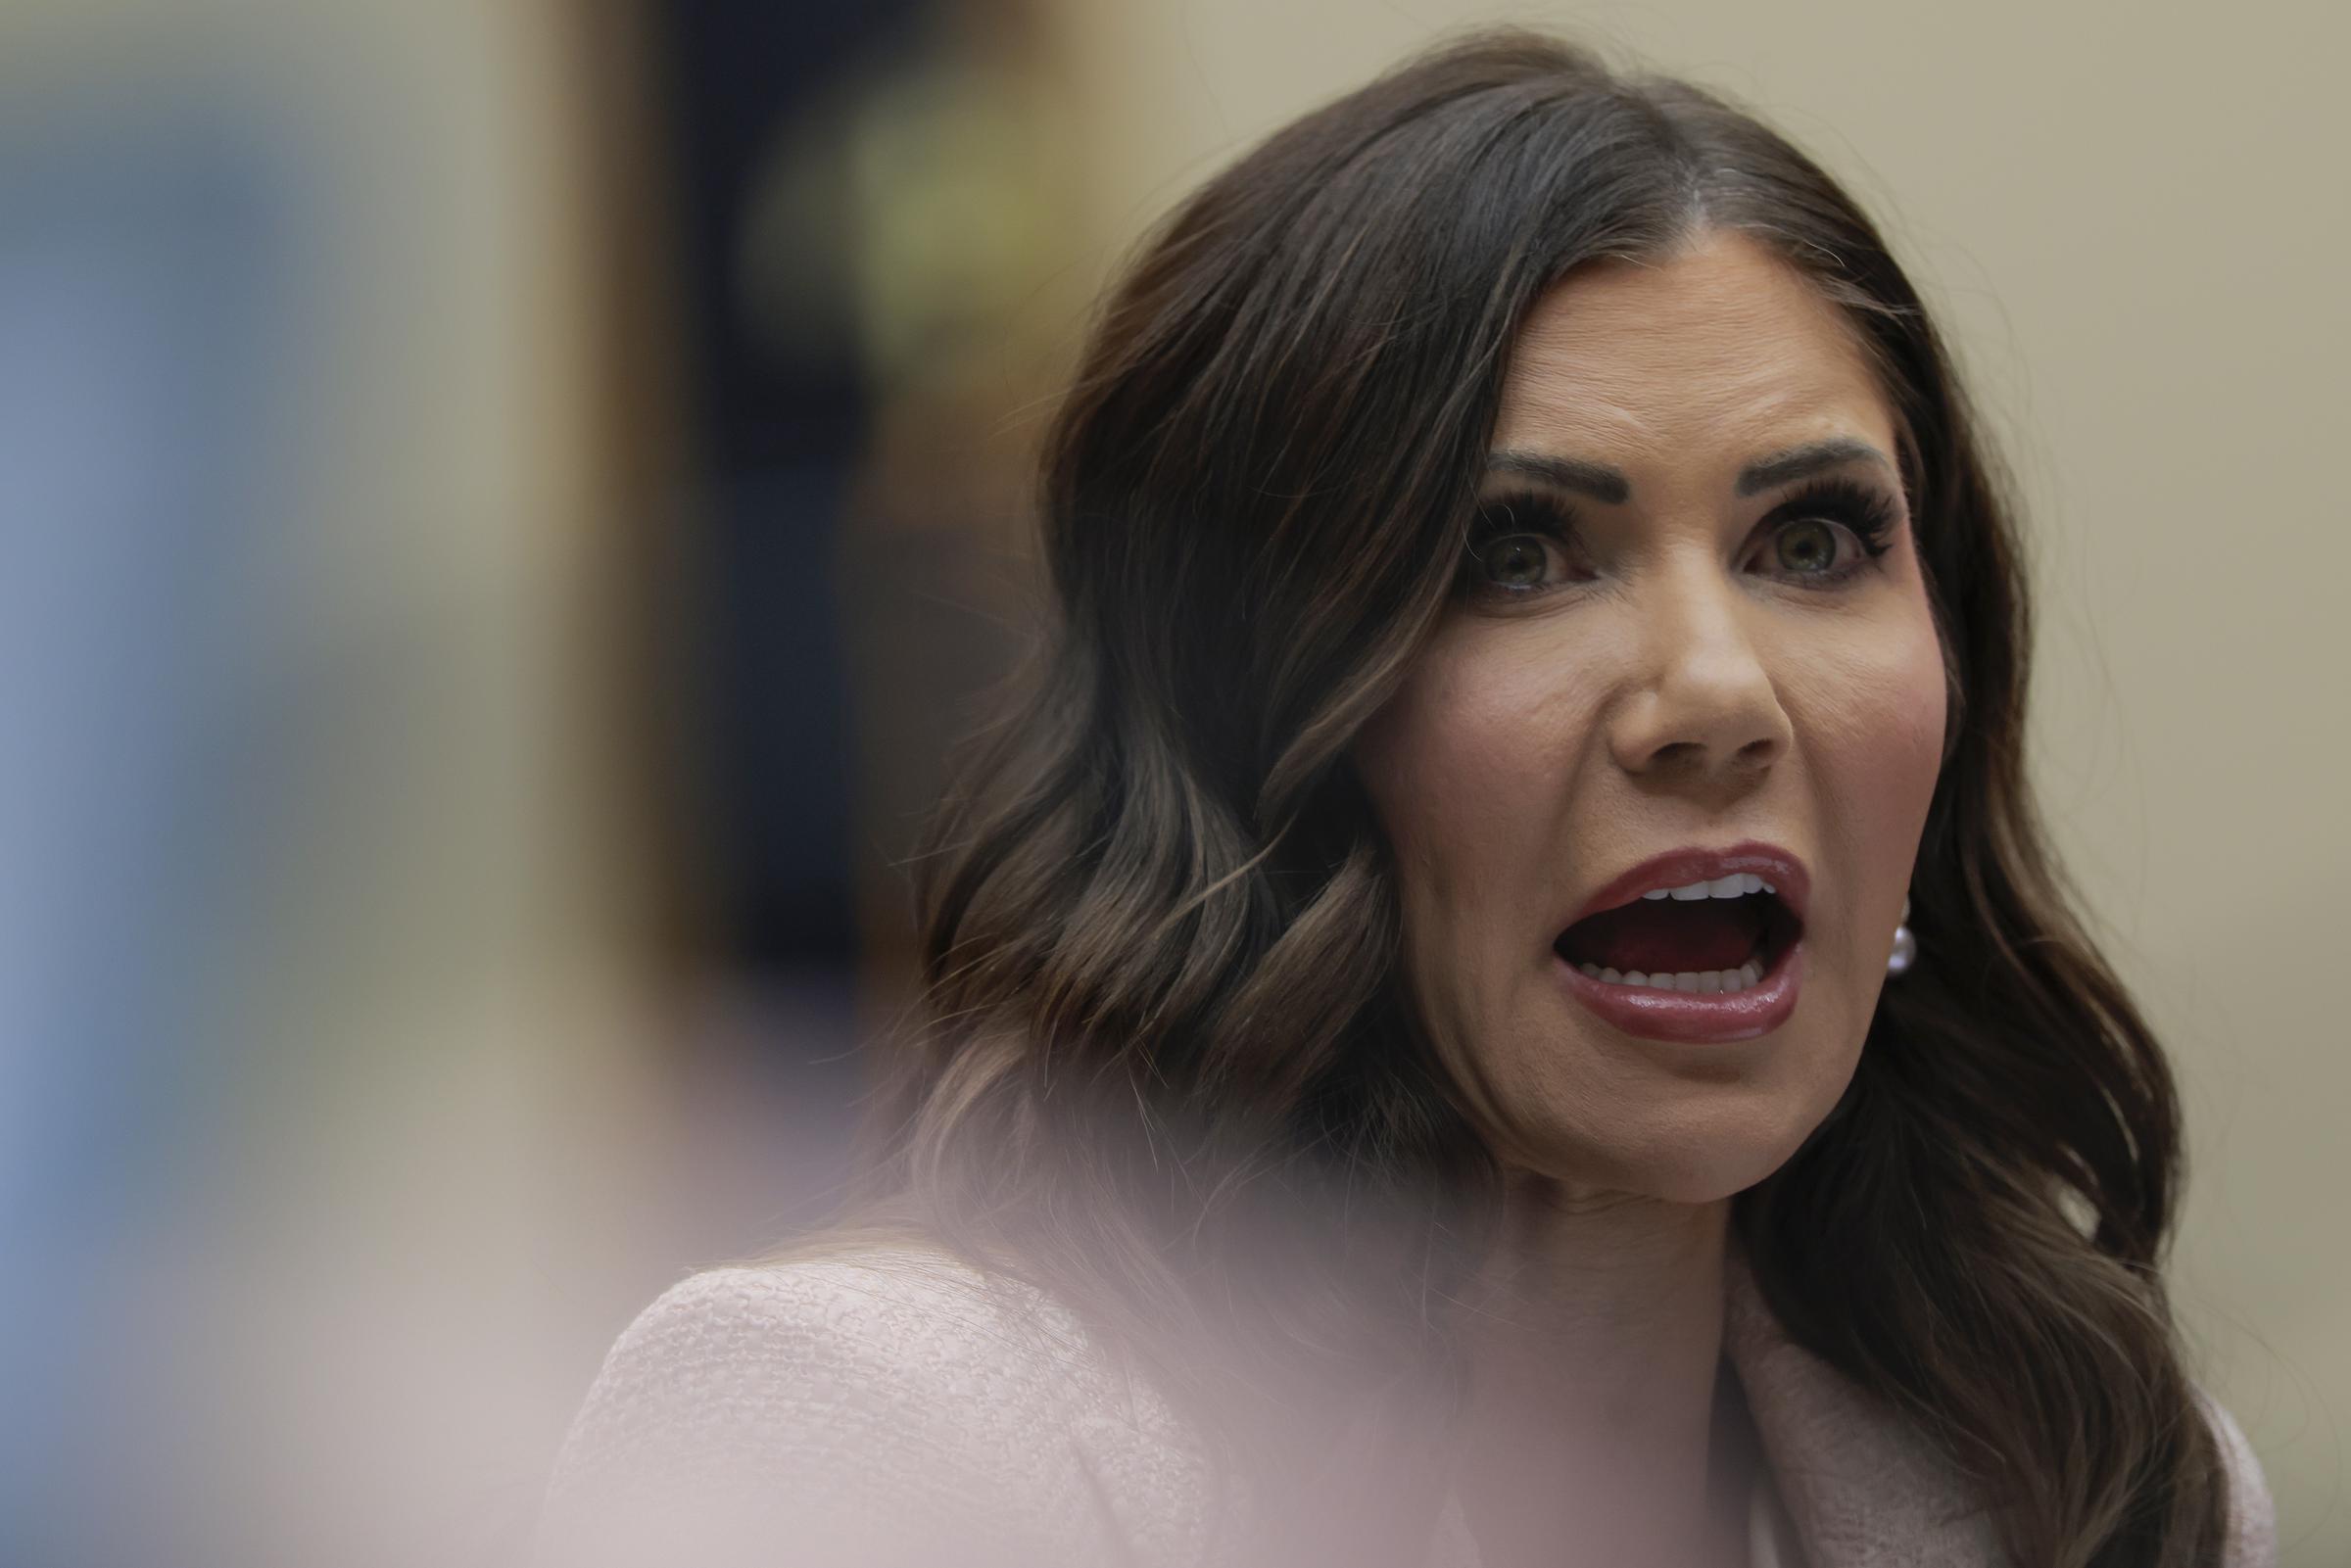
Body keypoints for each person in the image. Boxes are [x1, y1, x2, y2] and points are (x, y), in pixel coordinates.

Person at [535, 30, 2277, 1568]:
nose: (1718, 694)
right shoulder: (882, 1446)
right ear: (1244, 726)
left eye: (1811, 542)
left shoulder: (2094, 1485)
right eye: (1516, 555)